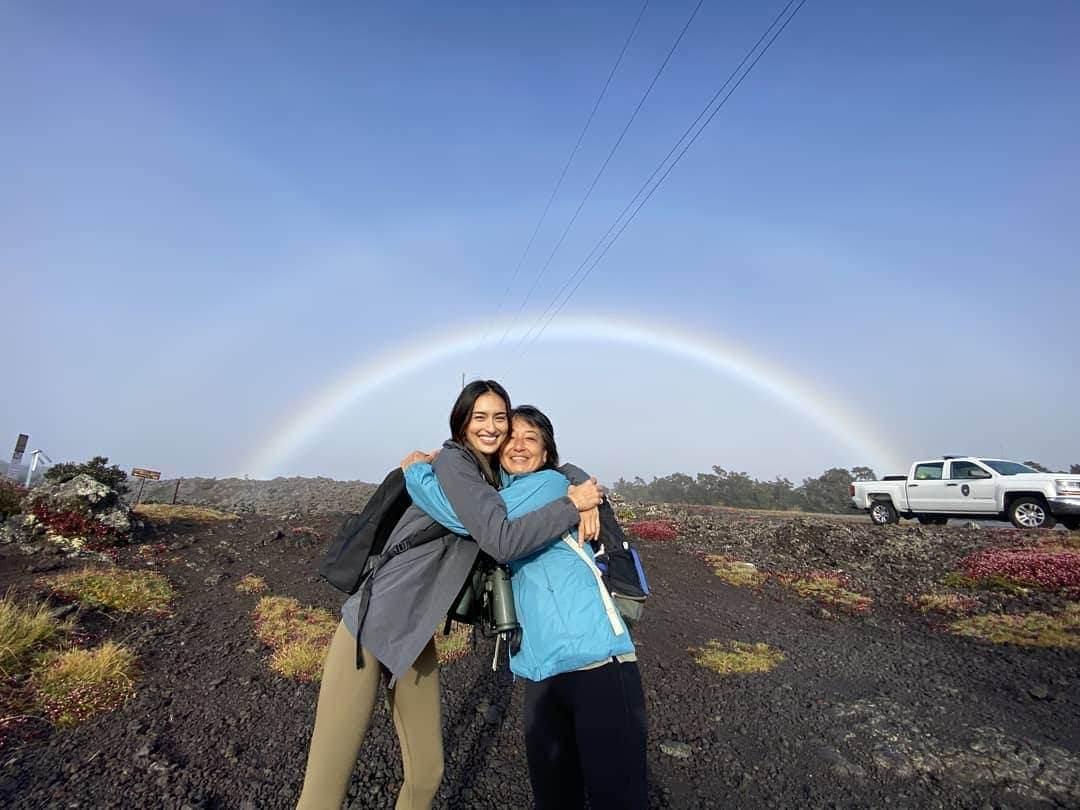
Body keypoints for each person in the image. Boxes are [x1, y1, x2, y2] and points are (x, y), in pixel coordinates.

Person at [297, 381, 604, 810]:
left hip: (415, 634)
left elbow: (548, 466)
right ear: (462, 423)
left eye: (501, 418)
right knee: (325, 788)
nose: (493, 427)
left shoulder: (491, 478)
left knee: (427, 774)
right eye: (480, 417)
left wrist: (583, 489)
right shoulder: (456, 464)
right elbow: (499, 537)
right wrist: (572, 505)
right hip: (371, 626)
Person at [403, 405, 649, 810]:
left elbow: (469, 521)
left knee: (617, 798)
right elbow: (481, 514)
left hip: (598, 665)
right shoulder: (506, 495)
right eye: (510, 437)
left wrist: (417, 472)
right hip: (539, 671)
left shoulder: (550, 484)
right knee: (553, 798)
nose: (518, 445)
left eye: (530, 438)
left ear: (546, 451)